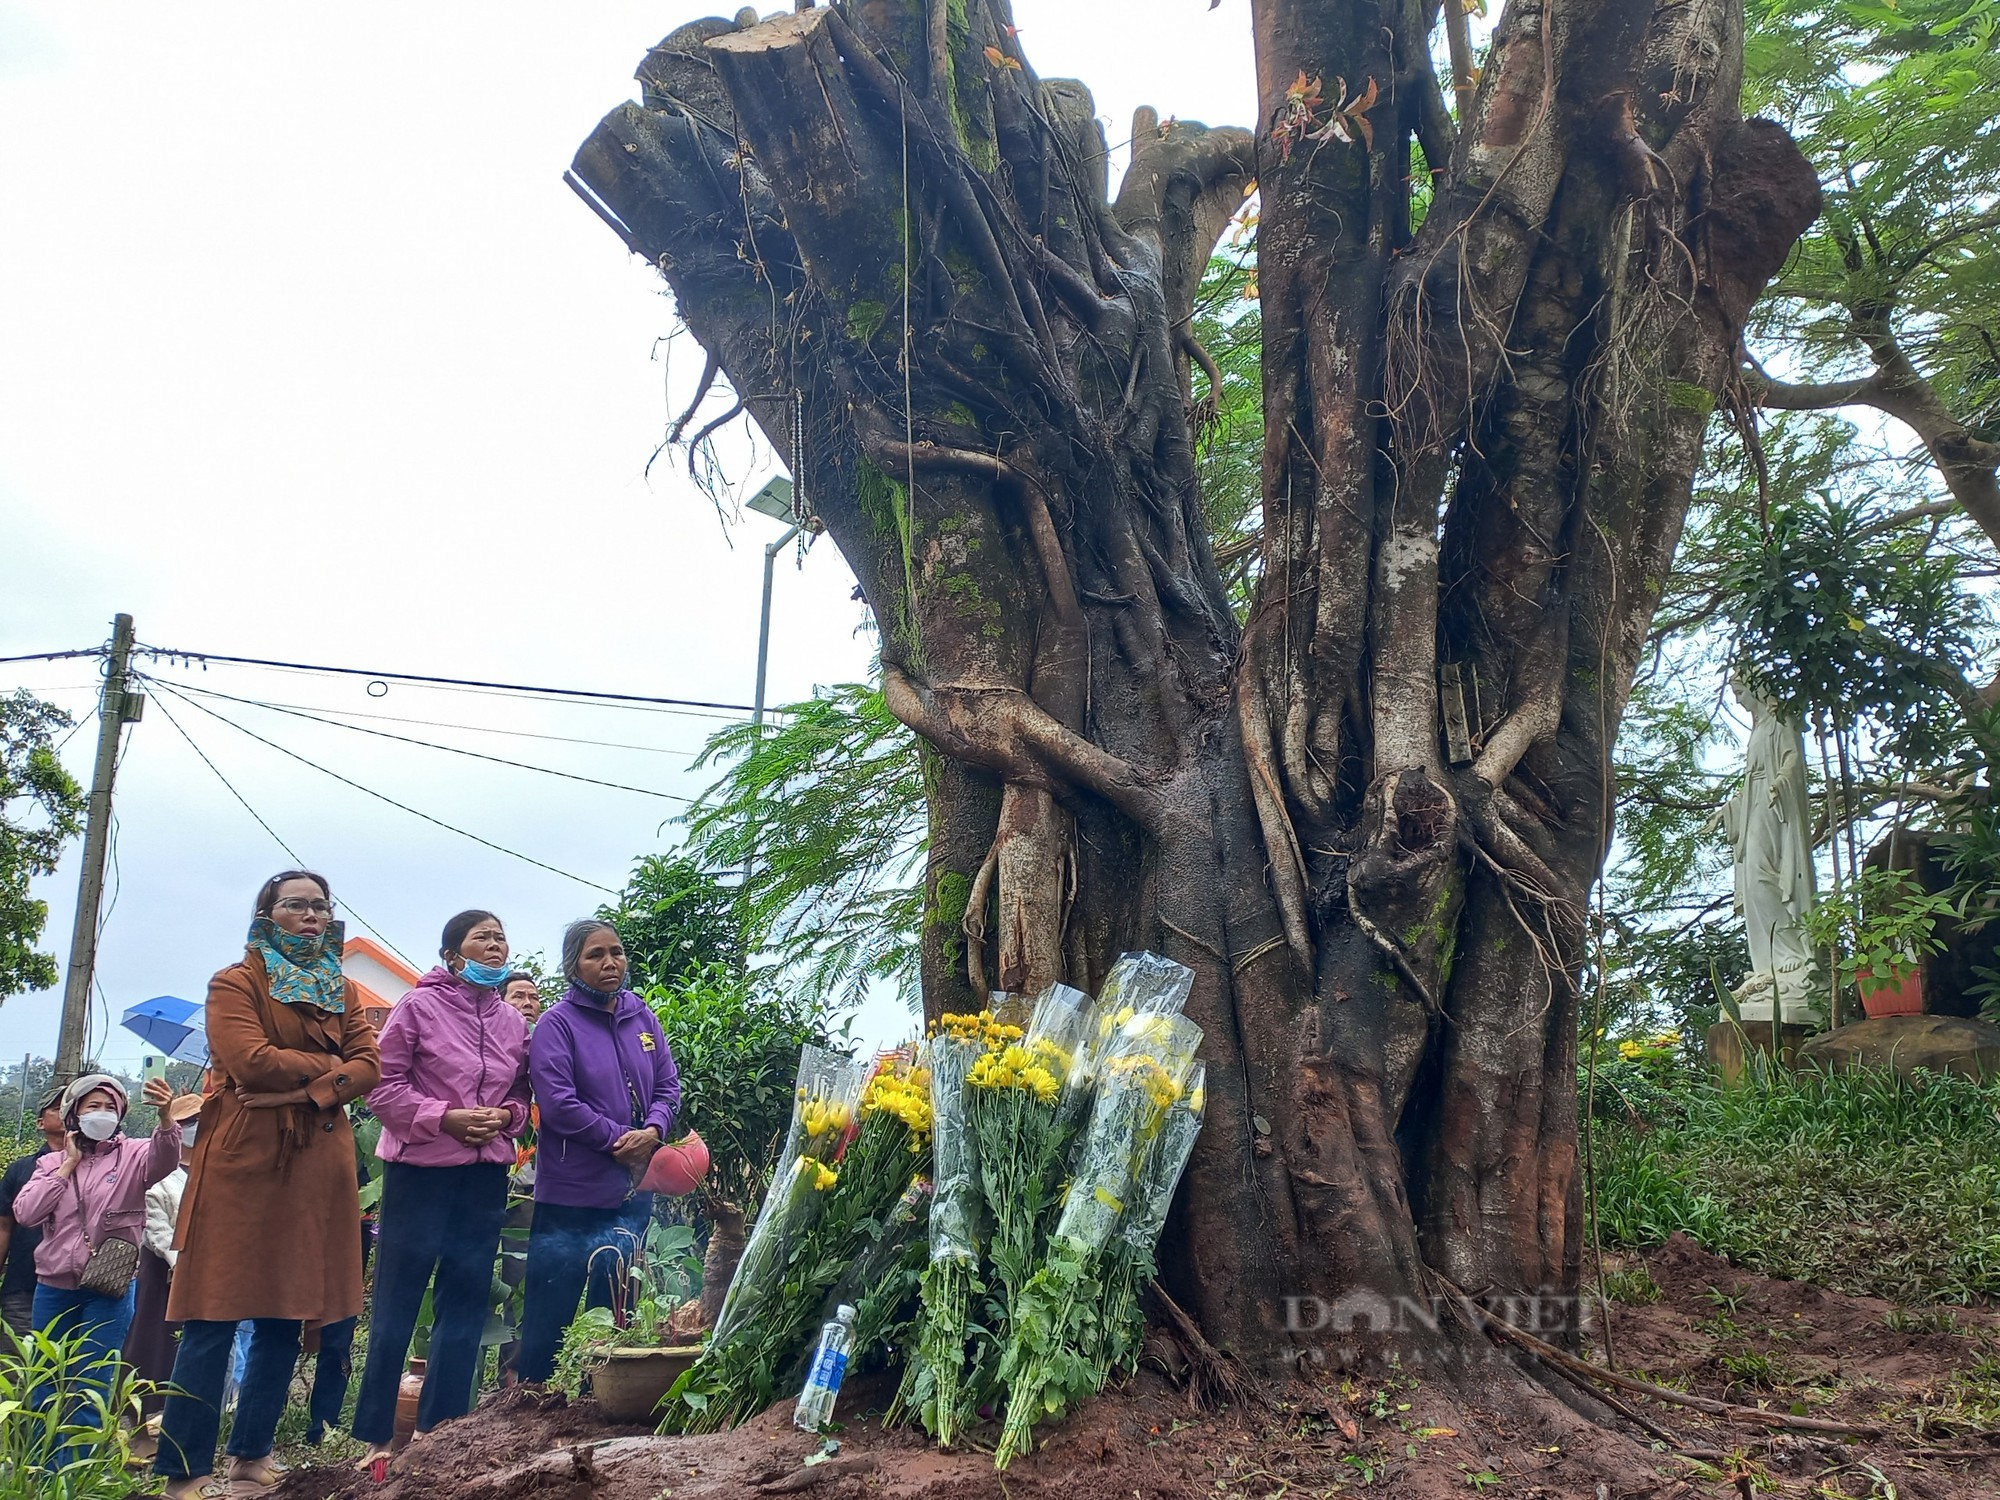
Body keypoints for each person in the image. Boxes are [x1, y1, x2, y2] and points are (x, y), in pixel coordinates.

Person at [155, 870, 381, 1500]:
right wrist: (329, 1074)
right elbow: (247, 1059)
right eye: (295, 906)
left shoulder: (341, 987)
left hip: (315, 1163)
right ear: (267, 912)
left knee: (286, 1311)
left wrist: (303, 1084)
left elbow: (371, 1065)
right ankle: (183, 1471)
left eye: (320, 906)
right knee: (212, 1313)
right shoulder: (235, 981)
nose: (310, 915)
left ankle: (249, 1455)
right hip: (242, 1160)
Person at [351, 909, 531, 1471]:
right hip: (419, 1171)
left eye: (501, 937)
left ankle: (442, 1430)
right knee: (398, 1300)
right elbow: (382, 1090)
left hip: (482, 1175)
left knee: (467, 1300)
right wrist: (443, 1118)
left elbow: (523, 1096)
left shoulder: (511, 1022)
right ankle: (380, 1436)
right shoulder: (417, 1007)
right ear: (452, 954)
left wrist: (505, 1116)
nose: (496, 945)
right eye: (483, 937)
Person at [515, 920, 679, 1384]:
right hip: (571, 1192)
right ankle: (535, 1405)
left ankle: (599, 1404)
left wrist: (652, 1130)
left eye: (616, 952)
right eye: (595, 955)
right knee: (552, 1312)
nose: (610, 963)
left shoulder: (642, 1017)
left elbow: (668, 1085)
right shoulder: (556, 1025)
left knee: (615, 1308)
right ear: (572, 966)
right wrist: (618, 1140)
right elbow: (558, 1104)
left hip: (633, 1190)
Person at [10, 1072, 182, 1466]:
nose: (102, 1115)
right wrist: (68, 1165)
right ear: (73, 1114)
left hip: (110, 1287)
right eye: (93, 1107)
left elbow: (164, 1159)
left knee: (91, 1378)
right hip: (53, 1287)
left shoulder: (135, 1153)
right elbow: (26, 1212)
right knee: (46, 1379)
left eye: (110, 1108)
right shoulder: (51, 1162)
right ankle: (42, 1468)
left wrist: (165, 1118)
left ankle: (76, 1469)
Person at [124, 1107, 197, 1453]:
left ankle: (180, 1431)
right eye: (189, 1122)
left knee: (190, 1354)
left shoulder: (218, 1174)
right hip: (161, 1279)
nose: (196, 1129)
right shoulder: (162, 1181)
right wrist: (184, 1262)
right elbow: (157, 1231)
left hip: (203, 1281)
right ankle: (138, 1430)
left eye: (202, 1121)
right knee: (149, 1349)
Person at [0, 1087, 65, 1346]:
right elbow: (4, 1226)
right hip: (24, 1284)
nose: (66, 1112)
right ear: (41, 1123)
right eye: (58, 1108)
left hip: (78, 1289)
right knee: (18, 1367)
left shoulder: (96, 1167)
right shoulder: (22, 1170)